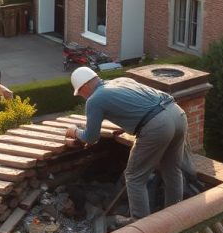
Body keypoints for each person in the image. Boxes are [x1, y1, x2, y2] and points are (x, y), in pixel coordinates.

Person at [65, 67, 188, 222]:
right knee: (172, 169)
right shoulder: (121, 81)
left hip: (158, 125)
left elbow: (91, 137)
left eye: (80, 93)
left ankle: (140, 225)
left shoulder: (94, 99)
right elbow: (133, 107)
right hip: (177, 114)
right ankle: (176, 217)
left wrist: (75, 131)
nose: (82, 97)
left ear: (84, 87)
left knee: (134, 177)